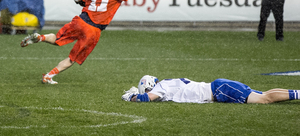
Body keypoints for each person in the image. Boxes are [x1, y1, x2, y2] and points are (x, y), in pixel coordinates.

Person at [20, 0, 143, 84]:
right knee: (72, 58)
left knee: (58, 38)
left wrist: (87, 3)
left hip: (80, 21)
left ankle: (40, 37)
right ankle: (48, 76)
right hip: (93, 29)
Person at [122, 75, 300, 104]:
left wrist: (132, 97)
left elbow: (147, 99)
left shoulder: (162, 87)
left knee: (264, 99)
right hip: (220, 87)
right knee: (264, 94)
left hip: (220, 90)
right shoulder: (167, 83)